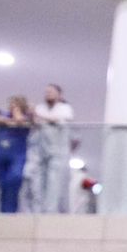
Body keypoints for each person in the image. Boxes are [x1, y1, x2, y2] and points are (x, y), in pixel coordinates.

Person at [33, 83, 74, 214]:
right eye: (46, 92)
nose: (48, 94)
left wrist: (42, 116)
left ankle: (51, 212)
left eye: (51, 92)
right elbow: (35, 120)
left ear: (59, 95)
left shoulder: (65, 108)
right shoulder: (40, 108)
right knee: (40, 183)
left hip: (58, 152)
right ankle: (40, 210)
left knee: (54, 182)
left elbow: (61, 119)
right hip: (42, 152)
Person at [0, 96, 32, 214]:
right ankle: (3, 211)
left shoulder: (27, 118)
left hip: (17, 155)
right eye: (12, 104)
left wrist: (17, 113)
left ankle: (11, 211)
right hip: (1, 155)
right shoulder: (4, 115)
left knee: (14, 179)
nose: (13, 106)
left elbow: (20, 121)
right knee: (2, 184)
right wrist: (9, 121)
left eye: (16, 104)